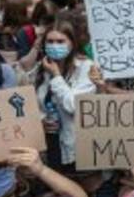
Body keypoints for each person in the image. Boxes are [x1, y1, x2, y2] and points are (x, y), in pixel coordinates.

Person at [30, 22, 97, 169]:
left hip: (78, 146)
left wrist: (56, 75)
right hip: (51, 142)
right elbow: (33, 105)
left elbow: (74, 105)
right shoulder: (40, 69)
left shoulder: (86, 67)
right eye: (50, 41)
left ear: (72, 44)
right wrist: (41, 121)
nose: (54, 46)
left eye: (60, 41)